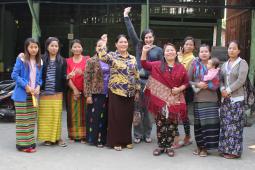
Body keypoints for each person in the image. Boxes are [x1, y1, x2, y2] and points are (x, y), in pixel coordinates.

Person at [141, 43, 189, 157]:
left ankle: (169, 146)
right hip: (160, 99)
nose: (170, 52)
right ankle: (161, 146)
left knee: (173, 123)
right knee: (160, 123)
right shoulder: (158, 64)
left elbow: (186, 82)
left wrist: (179, 89)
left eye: (172, 50)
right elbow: (144, 64)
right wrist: (144, 52)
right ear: (164, 53)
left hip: (174, 99)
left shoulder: (181, 67)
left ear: (176, 52)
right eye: (167, 50)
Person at [124, 7, 163, 144]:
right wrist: (126, 16)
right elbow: (131, 32)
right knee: (137, 109)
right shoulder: (138, 46)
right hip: (137, 82)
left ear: (153, 38)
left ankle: (147, 133)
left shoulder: (159, 50)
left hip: (151, 83)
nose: (148, 39)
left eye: (150, 37)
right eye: (146, 37)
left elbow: (161, 67)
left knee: (148, 111)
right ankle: (137, 134)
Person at [98, 34, 140, 151]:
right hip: (116, 91)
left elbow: (136, 74)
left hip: (130, 92)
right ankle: (115, 141)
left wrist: (137, 90)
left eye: (125, 42)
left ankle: (126, 141)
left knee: (127, 118)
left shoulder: (132, 58)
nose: (123, 44)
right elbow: (101, 56)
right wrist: (103, 43)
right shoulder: (112, 56)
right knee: (116, 118)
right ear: (116, 44)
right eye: (120, 42)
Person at [11, 38, 42, 153]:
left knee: (31, 119)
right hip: (21, 95)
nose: (33, 49)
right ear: (27, 48)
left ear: (38, 48)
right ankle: (22, 145)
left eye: (35, 47)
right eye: (31, 47)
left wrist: (38, 86)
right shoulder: (22, 59)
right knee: (23, 120)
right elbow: (14, 75)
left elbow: (39, 79)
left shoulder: (40, 62)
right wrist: (25, 86)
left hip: (33, 95)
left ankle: (29, 141)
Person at [188, 45, 220, 157]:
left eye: (206, 51)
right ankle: (199, 146)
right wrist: (198, 84)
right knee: (198, 125)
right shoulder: (194, 64)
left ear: (210, 53)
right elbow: (188, 80)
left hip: (211, 99)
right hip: (198, 99)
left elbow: (218, 83)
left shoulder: (215, 66)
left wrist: (209, 85)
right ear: (199, 53)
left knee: (210, 125)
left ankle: (206, 149)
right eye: (202, 51)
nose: (204, 53)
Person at [219, 40, 248, 159]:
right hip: (225, 99)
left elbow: (241, 80)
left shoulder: (242, 63)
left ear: (239, 51)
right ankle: (225, 148)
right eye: (230, 48)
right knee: (225, 125)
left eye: (234, 48)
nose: (231, 50)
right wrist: (222, 89)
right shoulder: (224, 64)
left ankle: (234, 151)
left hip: (236, 99)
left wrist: (228, 90)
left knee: (235, 126)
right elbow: (220, 79)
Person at [37, 37, 67, 147]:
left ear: (58, 48)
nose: (54, 48)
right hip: (44, 92)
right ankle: (48, 139)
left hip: (57, 93)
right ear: (47, 47)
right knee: (46, 117)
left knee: (56, 116)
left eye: (56, 46)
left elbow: (64, 76)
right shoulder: (41, 59)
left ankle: (57, 138)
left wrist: (68, 76)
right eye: (52, 45)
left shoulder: (62, 60)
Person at [84, 38, 110, 147]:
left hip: (108, 93)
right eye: (99, 46)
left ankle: (103, 139)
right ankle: (93, 139)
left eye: (103, 46)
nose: (101, 48)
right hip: (96, 94)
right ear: (96, 48)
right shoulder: (91, 61)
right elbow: (86, 78)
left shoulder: (110, 60)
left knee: (105, 118)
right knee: (94, 117)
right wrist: (88, 95)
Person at [172, 36, 196, 148]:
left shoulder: (194, 59)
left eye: (191, 44)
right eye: (187, 44)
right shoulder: (177, 56)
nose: (188, 46)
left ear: (194, 47)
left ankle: (187, 136)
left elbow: (185, 73)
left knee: (183, 114)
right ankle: (176, 136)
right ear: (183, 45)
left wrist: (180, 58)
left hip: (185, 90)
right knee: (174, 113)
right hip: (173, 89)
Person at [66, 39, 90, 143]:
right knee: (73, 113)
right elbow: (67, 77)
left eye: (79, 46)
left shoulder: (87, 59)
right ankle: (73, 136)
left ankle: (84, 136)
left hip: (85, 90)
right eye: (74, 47)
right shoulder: (67, 61)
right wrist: (75, 90)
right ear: (71, 49)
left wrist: (83, 73)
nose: (77, 49)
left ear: (82, 48)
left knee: (85, 113)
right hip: (72, 91)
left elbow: (90, 75)